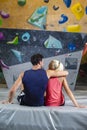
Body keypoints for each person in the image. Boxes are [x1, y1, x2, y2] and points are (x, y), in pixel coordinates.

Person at [2, 54, 68, 106]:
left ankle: (23, 91)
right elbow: (66, 73)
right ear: (39, 62)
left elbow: (13, 90)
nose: (43, 64)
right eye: (42, 62)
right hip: (40, 103)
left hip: (26, 103)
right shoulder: (48, 73)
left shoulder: (23, 73)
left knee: (23, 84)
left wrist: (9, 101)